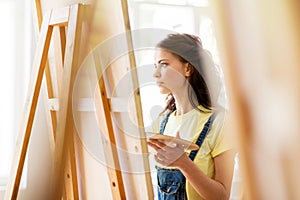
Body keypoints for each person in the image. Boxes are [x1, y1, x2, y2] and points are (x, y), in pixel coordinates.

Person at [147, 33, 235, 200]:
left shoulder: (220, 121)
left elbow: (222, 196)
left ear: (188, 68)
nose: (155, 74)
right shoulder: (162, 122)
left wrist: (184, 163)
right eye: (155, 66)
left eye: (164, 64)